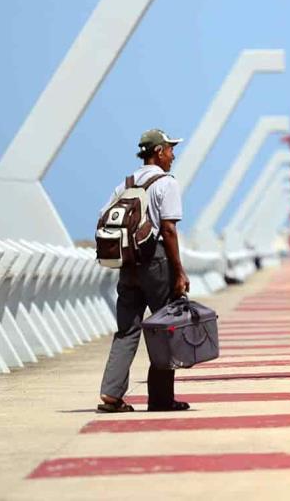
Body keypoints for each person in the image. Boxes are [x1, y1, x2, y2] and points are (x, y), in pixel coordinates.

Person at [96, 128, 191, 413]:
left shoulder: (124, 184)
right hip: (157, 261)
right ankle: (161, 399)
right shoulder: (166, 183)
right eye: (171, 149)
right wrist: (179, 272)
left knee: (127, 329)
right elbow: (169, 229)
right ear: (159, 151)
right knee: (165, 328)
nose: (173, 155)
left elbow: (104, 219)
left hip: (128, 264)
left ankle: (112, 394)